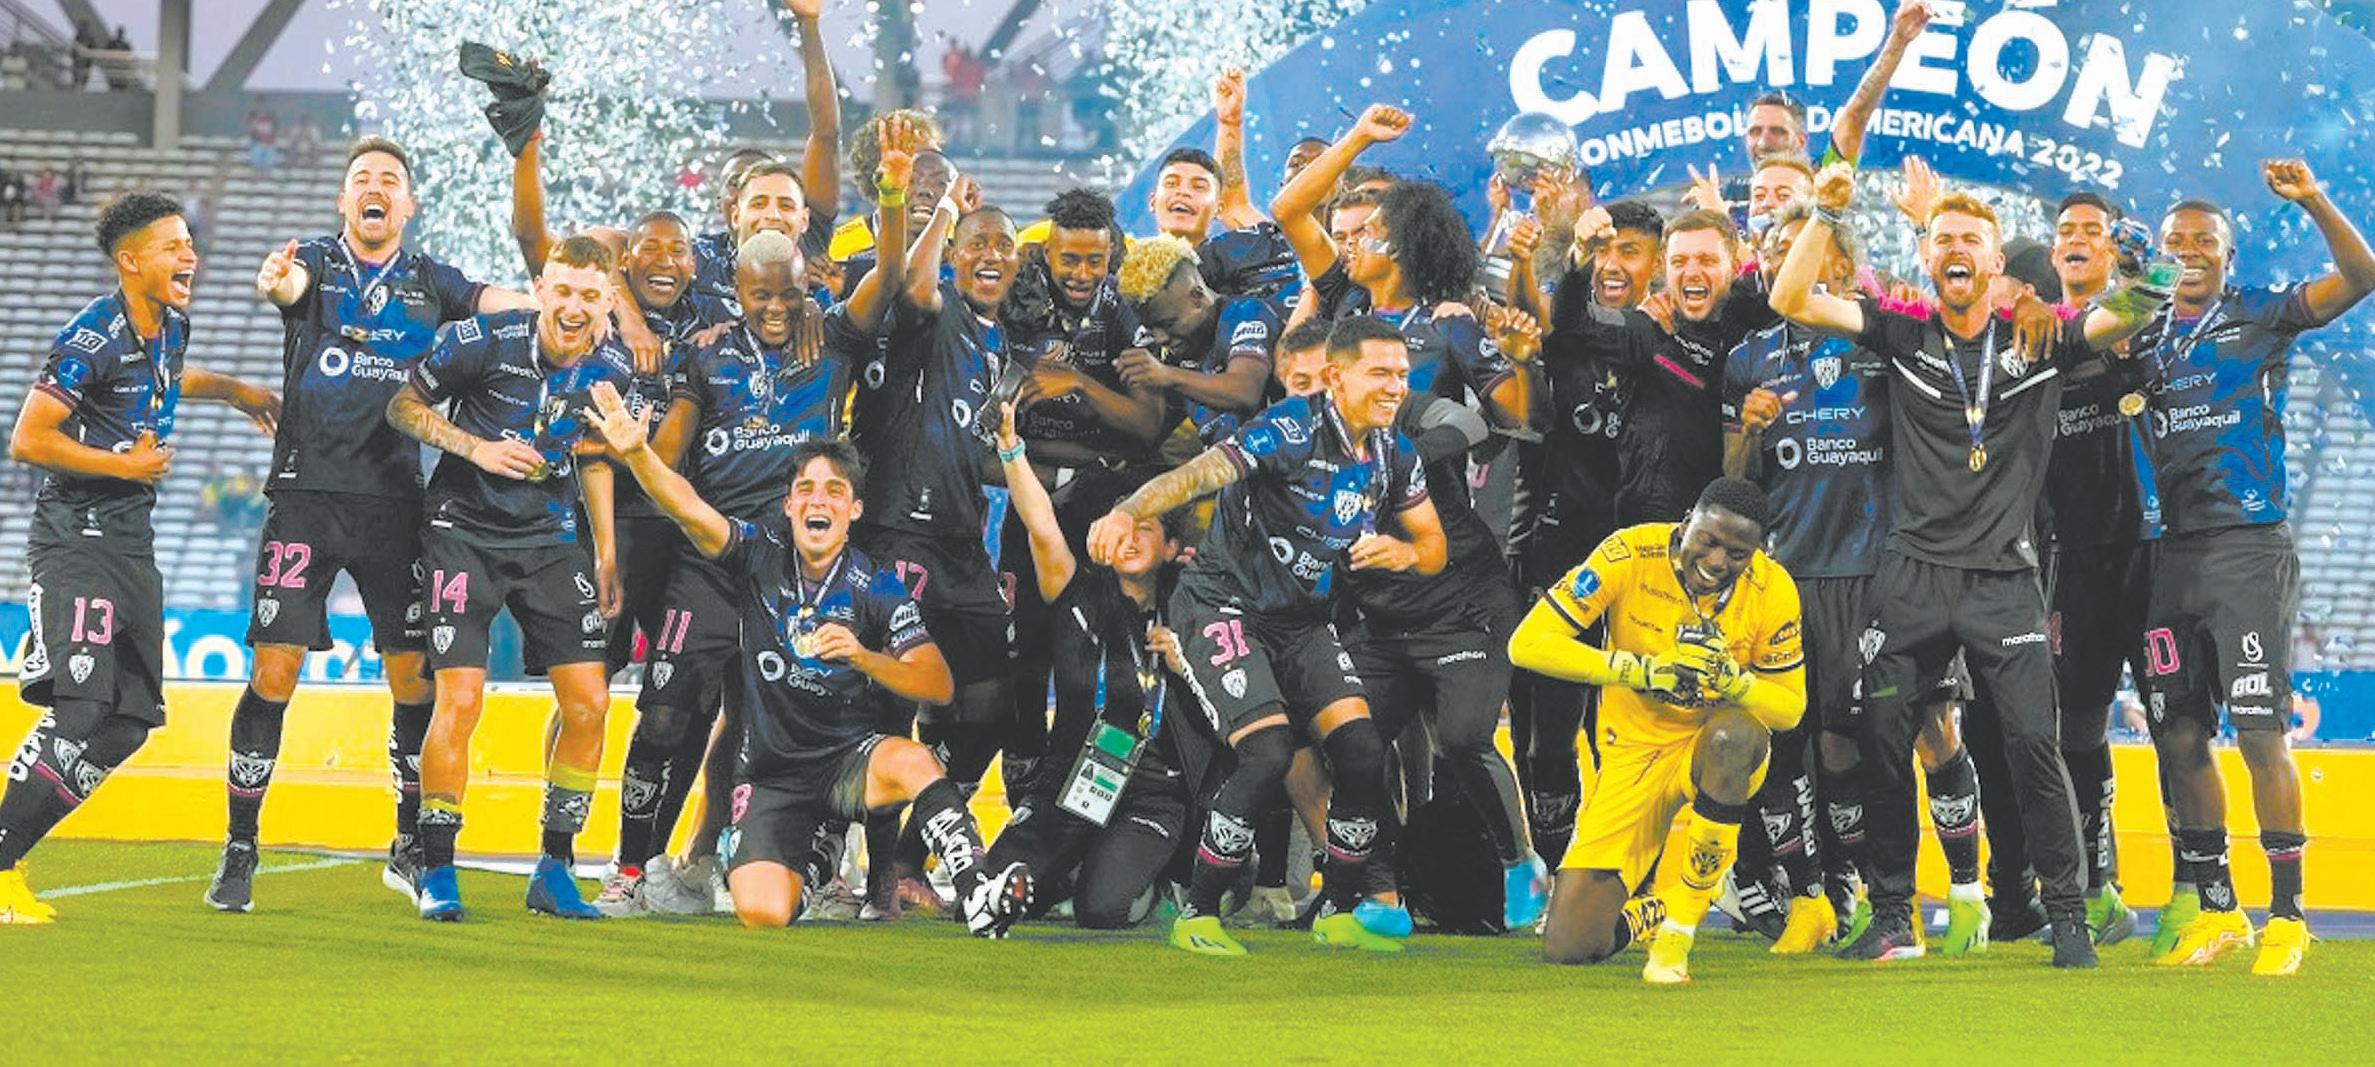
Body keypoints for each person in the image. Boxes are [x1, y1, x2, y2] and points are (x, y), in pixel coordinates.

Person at [1768, 162, 2173, 968]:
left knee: (2031, 744)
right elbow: (1789, 297)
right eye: (1943, 238)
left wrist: (2139, 260)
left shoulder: (2041, 336)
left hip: (2002, 581)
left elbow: (2142, 303)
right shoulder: (1899, 332)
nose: (1956, 248)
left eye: (1971, 240)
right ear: (1926, 256)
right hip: (1911, 577)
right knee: (1882, 739)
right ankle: (1893, 914)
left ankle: (2067, 916)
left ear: (1994, 262)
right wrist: (1824, 213)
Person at [206, 137, 535, 913]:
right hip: (307, 495)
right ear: (343, 200)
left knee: (413, 674)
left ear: (408, 205)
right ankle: (240, 846)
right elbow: (286, 286)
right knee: (274, 671)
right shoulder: (315, 261)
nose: (374, 187)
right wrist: (277, 283)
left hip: (397, 501)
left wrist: (562, 302)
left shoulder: (434, 280)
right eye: (361, 178)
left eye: (389, 179)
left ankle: (408, 844)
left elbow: (506, 305)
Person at [585, 387, 1032, 935]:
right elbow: (689, 509)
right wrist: (638, 455)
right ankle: (817, 858)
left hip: (848, 764)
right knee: (763, 913)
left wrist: (864, 656)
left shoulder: (877, 585)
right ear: (789, 506)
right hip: (771, 777)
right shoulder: (757, 554)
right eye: (806, 490)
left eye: (834, 491)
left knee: (914, 761)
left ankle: (978, 888)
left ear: (854, 509)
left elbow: (937, 684)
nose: (819, 501)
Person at [1086, 315, 1448, 956]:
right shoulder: (1288, 429)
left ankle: (1339, 908)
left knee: (1362, 751)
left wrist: (1405, 553)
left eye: (1402, 374)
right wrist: (1130, 509)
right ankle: (1198, 913)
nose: (1396, 386)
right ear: (1336, 377)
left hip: (1301, 621)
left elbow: (1434, 545)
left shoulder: (1396, 454)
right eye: (1380, 373)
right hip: (1223, 608)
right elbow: (1200, 473)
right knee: (1268, 752)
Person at [0, 192, 280, 923]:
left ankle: (10, 852)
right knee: (80, 705)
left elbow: (168, 378)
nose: (190, 255)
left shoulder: (170, 327)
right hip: (76, 539)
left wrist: (235, 391)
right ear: (130, 261)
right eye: (172, 246)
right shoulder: (91, 333)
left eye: (189, 243)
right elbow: (29, 438)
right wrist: (124, 467)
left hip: (132, 544)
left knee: (126, 722)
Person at [1723, 202, 1990, 952]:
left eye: (1796, 246)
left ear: (1838, 264)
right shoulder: (1749, 357)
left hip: (1888, 570)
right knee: (1835, 748)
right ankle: (1867, 899)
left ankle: (1968, 891)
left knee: (1931, 730)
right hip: (1796, 575)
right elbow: (1733, 482)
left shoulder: (1888, 336)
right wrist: (1748, 430)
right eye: (1771, 247)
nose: (1778, 258)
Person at [2135, 160, 2375, 976]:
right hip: (2169, 553)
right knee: (2177, 732)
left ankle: (2287, 916)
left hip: (2246, 548)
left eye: (2204, 240)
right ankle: (2217, 908)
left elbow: (2360, 277)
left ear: (2227, 256)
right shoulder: (2140, 333)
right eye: (2175, 241)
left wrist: (2311, 199)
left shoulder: (2260, 314)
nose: (2188, 250)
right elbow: (2078, 333)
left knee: (2259, 733)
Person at [384, 235, 633, 922]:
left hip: (550, 540)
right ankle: (437, 867)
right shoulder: (483, 340)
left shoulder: (614, 369)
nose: (574, 306)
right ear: (540, 289)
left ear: (608, 301)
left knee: (590, 703)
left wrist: (606, 551)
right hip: (461, 533)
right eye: (563, 290)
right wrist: (476, 448)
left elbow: (593, 455)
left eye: (590, 295)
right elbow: (401, 407)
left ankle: (554, 867)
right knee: (461, 700)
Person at [1512, 477, 1806, 983]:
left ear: (1756, 552)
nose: (1717, 561)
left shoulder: (1773, 588)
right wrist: (1642, 671)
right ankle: (1686, 895)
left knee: (1734, 735)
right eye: (1708, 541)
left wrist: (1735, 684)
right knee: (1570, 945)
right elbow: (1527, 643)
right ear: (1687, 520)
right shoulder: (1629, 553)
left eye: (1737, 554)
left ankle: (1678, 932)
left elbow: (1789, 709)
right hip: (1632, 753)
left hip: (1712, 749)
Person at [845, 175, 1024, 911]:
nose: (991, 255)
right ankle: (877, 877)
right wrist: (948, 203)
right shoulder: (936, 304)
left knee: (991, 703)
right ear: (953, 252)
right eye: (977, 243)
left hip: (960, 543)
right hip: (898, 532)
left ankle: (909, 855)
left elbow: (977, 452)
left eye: (1004, 245)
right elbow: (914, 285)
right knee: (893, 704)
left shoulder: (997, 341)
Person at [982, 402, 1205, 928]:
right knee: (997, 894)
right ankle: (1071, 864)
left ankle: (1163, 873)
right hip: (1070, 780)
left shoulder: (1192, 611)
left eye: (1146, 528)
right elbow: (1041, 525)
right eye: (1122, 524)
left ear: (1172, 547)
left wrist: (1187, 665)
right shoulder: (1074, 591)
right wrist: (1011, 450)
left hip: (1151, 792)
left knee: (1101, 911)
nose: (1130, 536)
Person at [995, 188, 1166, 801]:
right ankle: (1026, 778)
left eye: (1095, 260)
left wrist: (1079, 385)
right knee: (1024, 645)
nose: (1082, 274)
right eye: (1070, 259)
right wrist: (1081, 452)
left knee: (1092, 642)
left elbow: (1147, 426)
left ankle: (1090, 779)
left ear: (1112, 255)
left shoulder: (1121, 309)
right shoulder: (1013, 294)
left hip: (1094, 500)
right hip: (1030, 496)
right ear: (1047, 251)